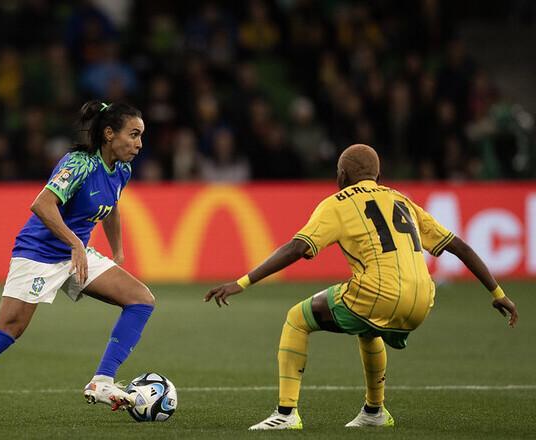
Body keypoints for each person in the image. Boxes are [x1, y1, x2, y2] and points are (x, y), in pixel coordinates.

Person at [205, 144, 518, 431]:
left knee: (297, 319)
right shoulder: (402, 199)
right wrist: (498, 294)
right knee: (368, 328)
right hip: (423, 298)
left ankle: (286, 414)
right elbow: (459, 246)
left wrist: (242, 282)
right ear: (378, 175)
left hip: (378, 292)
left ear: (341, 175)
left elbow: (297, 248)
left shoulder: (336, 204)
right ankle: (374, 411)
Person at [0, 101, 154, 424]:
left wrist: (118, 251)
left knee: (141, 300)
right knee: (8, 330)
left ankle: (103, 381)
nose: (140, 144)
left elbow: (111, 206)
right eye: (134, 135)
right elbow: (41, 204)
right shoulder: (79, 163)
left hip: (75, 254)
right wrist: (75, 243)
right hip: (39, 253)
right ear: (109, 134)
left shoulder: (122, 170)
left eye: (141, 136)